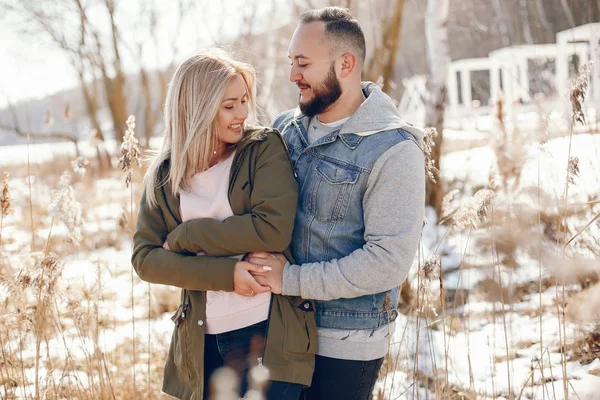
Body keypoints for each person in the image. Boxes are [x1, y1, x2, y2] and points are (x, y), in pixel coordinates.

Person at [246, 7, 425, 400]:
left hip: (345, 338)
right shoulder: (284, 129)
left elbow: (386, 262)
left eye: (303, 63)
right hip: (281, 327)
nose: (293, 75)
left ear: (346, 63)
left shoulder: (393, 150)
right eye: (291, 62)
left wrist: (289, 280)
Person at [131, 49, 316, 400]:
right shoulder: (165, 175)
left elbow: (272, 229)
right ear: (197, 109)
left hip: (267, 333)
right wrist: (226, 276)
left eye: (244, 101)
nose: (243, 114)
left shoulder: (262, 148)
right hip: (201, 344)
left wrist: (188, 234)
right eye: (229, 106)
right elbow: (145, 258)